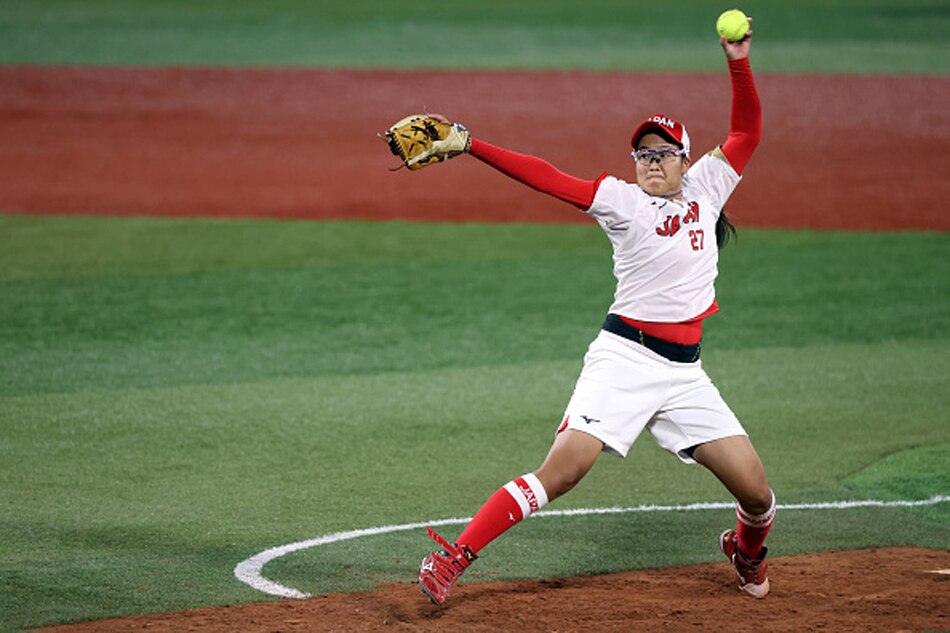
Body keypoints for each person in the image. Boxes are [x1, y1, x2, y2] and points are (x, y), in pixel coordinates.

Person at [417, 19, 775, 605]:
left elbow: (747, 130)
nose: (651, 162)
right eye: (642, 153)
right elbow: (548, 177)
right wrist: (470, 144)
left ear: (686, 160)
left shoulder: (709, 187)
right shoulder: (622, 201)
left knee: (757, 494)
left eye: (663, 154)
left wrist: (739, 60)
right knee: (563, 471)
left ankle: (746, 550)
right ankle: (454, 557)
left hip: (686, 375)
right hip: (625, 357)